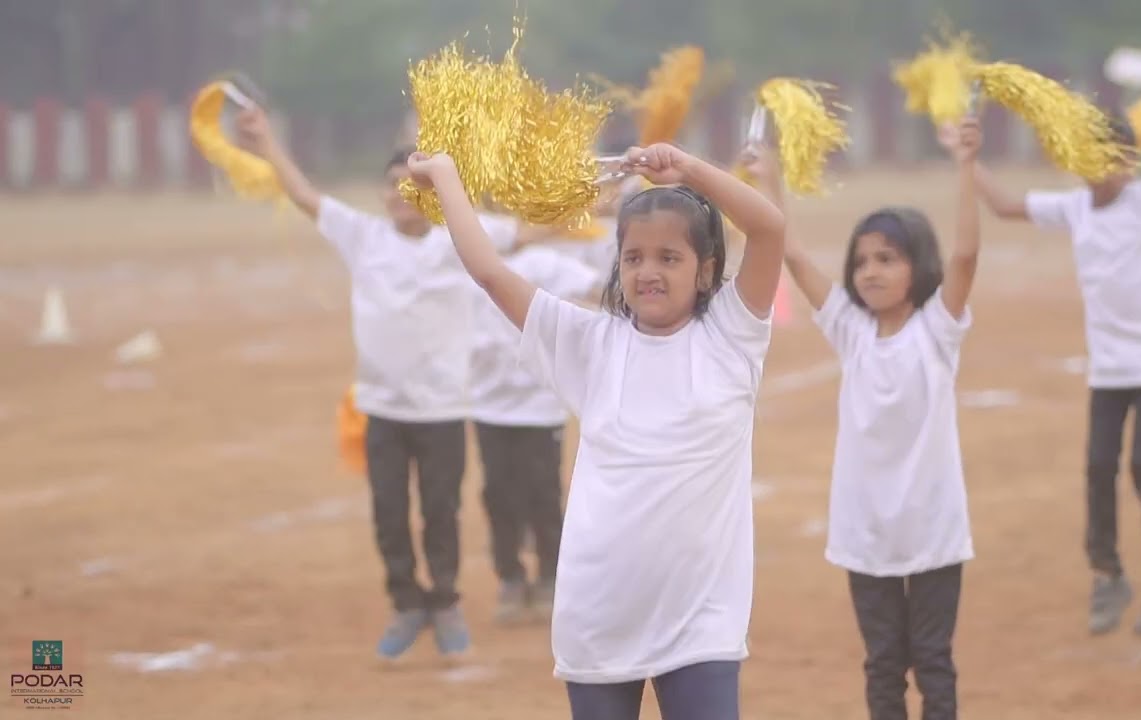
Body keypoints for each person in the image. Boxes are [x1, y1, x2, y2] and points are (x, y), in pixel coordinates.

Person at [406, 142, 785, 720]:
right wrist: (447, 176)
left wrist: (687, 171)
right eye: (632, 258)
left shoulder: (732, 336)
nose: (648, 272)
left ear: (706, 270)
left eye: (669, 258)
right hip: (599, 616)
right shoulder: (588, 343)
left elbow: (769, 227)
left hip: (701, 620)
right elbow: (487, 269)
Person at [235, 106, 543, 661]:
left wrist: (598, 196)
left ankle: (445, 602)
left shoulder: (459, 238)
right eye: (392, 186)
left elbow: (526, 230)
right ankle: (406, 601)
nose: (401, 195)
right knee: (388, 514)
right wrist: (266, 142)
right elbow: (303, 194)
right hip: (381, 407)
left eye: (412, 186)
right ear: (381, 195)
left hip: (443, 409)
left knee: (441, 511)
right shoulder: (363, 237)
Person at [969, 45, 1141, 636]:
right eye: (1087, 156)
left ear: (1132, 161)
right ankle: (1108, 574)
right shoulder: (1077, 208)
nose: (1099, 170)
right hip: (1110, 366)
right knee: (1096, 467)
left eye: (1110, 158)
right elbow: (1007, 205)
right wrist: (967, 159)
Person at [749, 117, 982, 720]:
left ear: (918, 266)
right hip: (865, 533)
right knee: (882, 662)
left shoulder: (936, 331)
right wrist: (770, 181)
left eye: (888, 258)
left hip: (932, 530)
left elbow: (966, 253)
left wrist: (965, 164)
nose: (871, 271)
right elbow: (792, 252)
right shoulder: (851, 331)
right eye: (861, 261)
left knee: (932, 659)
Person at [468, 243, 601, 624]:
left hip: (539, 405)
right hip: (489, 403)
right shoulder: (467, 260)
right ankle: (509, 575)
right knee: (497, 492)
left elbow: (595, 286)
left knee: (543, 492)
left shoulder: (545, 261)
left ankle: (549, 575)